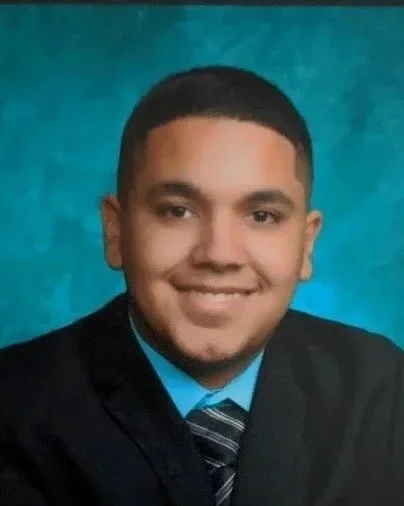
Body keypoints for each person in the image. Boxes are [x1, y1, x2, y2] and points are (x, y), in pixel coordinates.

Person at [0, 65, 403, 506]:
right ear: (116, 231)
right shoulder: (14, 408)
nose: (219, 254)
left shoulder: (384, 393)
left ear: (306, 244)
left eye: (262, 215)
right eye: (177, 210)